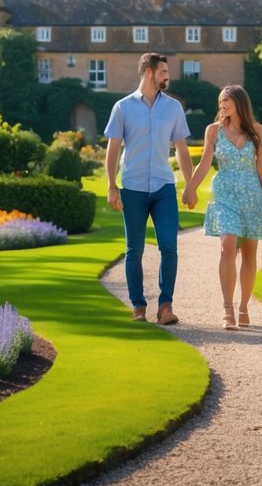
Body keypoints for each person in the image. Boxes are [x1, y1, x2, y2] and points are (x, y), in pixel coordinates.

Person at [105, 53, 196, 325]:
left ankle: (165, 306)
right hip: (132, 188)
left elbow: (181, 148)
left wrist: (190, 186)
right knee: (135, 250)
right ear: (148, 73)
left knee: (169, 247)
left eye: (168, 72)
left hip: (163, 188)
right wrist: (111, 186)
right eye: (163, 72)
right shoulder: (122, 107)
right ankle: (138, 306)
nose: (167, 76)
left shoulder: (174, 108)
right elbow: (112, 149)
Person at [183, 84, 262, 331]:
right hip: (224, 193)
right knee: (227, 245)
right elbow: (203, 164)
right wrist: (190, 188)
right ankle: (228, 309)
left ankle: (244, 306)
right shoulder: (213, 131)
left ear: (239, 103)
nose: (222, 104)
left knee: (250, 253)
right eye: (220, 101)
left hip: (251, 195)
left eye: (226, 100)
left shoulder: (258, 130)